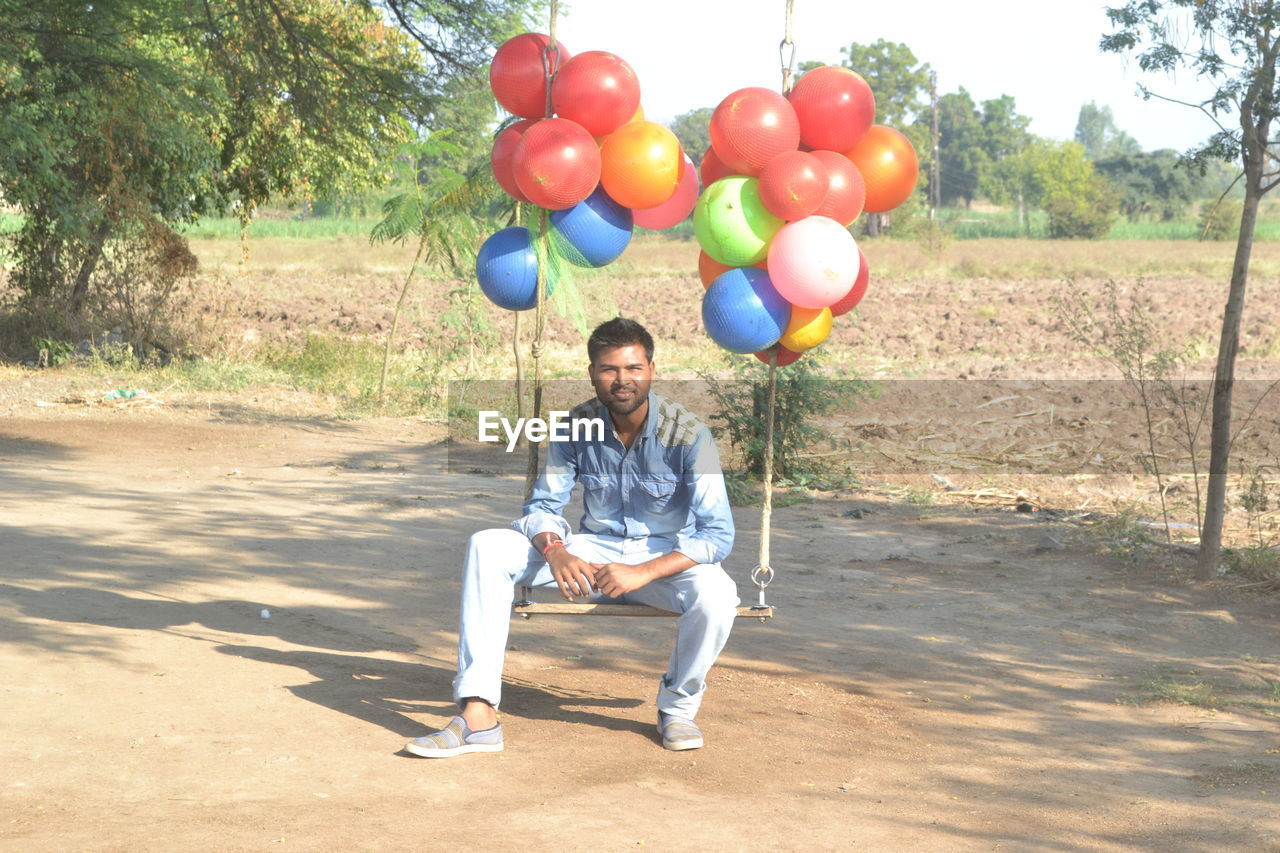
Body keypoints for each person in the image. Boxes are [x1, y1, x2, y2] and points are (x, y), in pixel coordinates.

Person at [406, 317, 739, 757]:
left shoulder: (688, 435)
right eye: (609, 369)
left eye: (633, 368)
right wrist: (556, 550)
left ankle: (677, 709)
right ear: (592, 373)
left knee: (719, 595)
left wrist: (642, 572)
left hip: (658, 563)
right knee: (487, 544)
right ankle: (478, 714)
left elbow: (717, 535)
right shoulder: (574, 425)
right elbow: (542, 506)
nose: (622, 380)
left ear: (652, 370)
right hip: (590, 553)